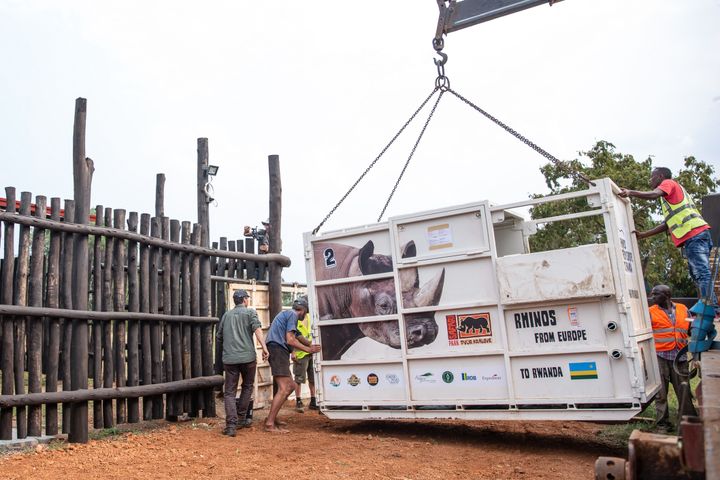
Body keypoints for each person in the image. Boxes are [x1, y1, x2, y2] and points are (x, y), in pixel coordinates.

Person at [619, 167, 716, 309]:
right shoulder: (669, 197)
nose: (650, 180)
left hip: (694, 234)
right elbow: (667, 224)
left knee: (701, 273)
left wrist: (630, 192)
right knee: (697, 275)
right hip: (694, 236)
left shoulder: (668, 183)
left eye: (652, 177)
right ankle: (707, 307)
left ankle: (712, 308)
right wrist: (644, 234)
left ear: (660, 176)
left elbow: (653, 194)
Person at [216, 289, 269, 437]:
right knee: (247, 386)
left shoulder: (226, 316)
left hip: (230, 360)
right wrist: (264, 348)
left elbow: (219, 337)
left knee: (230, 392)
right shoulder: (250, 313)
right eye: (248, 298)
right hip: (248, 359)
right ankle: (241, 418)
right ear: (245, 300)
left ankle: (231, 425)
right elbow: (257, 330)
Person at [264, 297, 320, 433]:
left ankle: (271, 418)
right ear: (303, 310)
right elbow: (290, 340)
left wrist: (313, 345)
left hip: (277, 349)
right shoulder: (292, 315)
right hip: (278, 349)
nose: (305, 315)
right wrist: (309, 350)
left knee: (289, 387)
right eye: (306, 313)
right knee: (286, 387)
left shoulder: (287, 315)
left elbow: (299, 337)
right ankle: (269, 424)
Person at [648, 284, 698, 431]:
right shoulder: (650, 312)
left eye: (655, 294)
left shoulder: (683, 309)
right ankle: (662, 424)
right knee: (661, 393)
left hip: (680, 357)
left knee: (684, 390)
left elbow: (691, 330)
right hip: (660, 356)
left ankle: (687, 422)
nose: (652, 297)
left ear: (666, 295)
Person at [292, 304, 318, 413]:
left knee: (313, 378)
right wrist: (293, 352)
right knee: (299, 378)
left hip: (312, 352)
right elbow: (291, 336)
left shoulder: (311, 317)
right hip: (300, 353)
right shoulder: (294, 320)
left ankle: (313, 400)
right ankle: (298, 400)